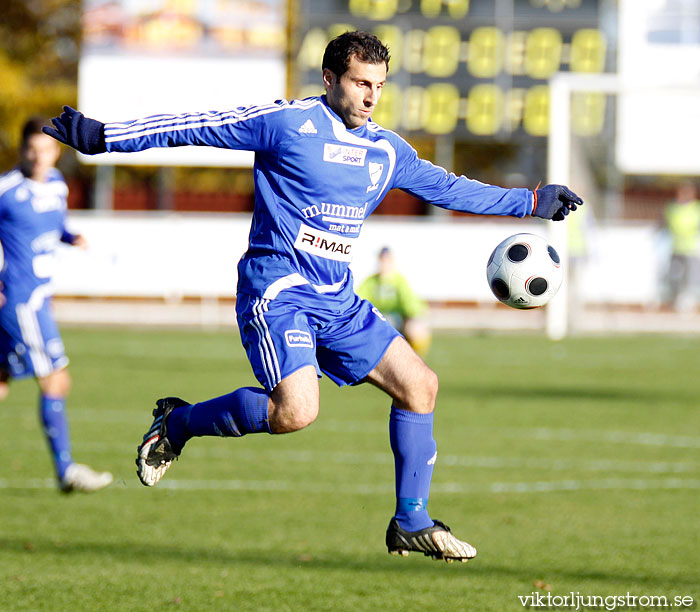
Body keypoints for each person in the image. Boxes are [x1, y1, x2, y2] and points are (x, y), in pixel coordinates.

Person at [44, 31, 582, 561]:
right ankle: (177, 424)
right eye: (360, 82)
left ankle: (410, 521)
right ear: (329, 79)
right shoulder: (288, 124)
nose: (371, 96)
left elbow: (451, 188)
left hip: (337, 298)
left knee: (420, 387)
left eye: (379, 85)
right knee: (295, 412)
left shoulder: (385, 150)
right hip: (278, 289)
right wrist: (103, 136)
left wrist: (531, 198)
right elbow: (198, 127)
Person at [0, 118, 113, 493]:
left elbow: (55, 225)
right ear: (21, 150)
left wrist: (70, 237)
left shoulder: (58, 185)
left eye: (45, 149)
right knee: (56, 379)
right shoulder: (6, 189)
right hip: (21, 301)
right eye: (31, 149)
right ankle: (66, 471)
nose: (38, 156)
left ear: (56, 152)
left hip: (36, 297)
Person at [358, 246, 432, 357]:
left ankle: (413, 358)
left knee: (415, 328)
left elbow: (410, 302)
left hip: (398, 320)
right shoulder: (371, 282)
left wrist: (416, 316)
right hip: (378, 320)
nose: (384, 264)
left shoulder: (399, 280)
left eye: (387, 261)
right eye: (382, 261)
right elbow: (360, 300)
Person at [664, 182, 700, 312]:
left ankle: (689, 302)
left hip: (691, 248)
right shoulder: (673, 208)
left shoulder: (696, 208)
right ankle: (676, 300)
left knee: (691, 277)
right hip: (676, 247)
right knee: (675, 276)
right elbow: (667, 223)